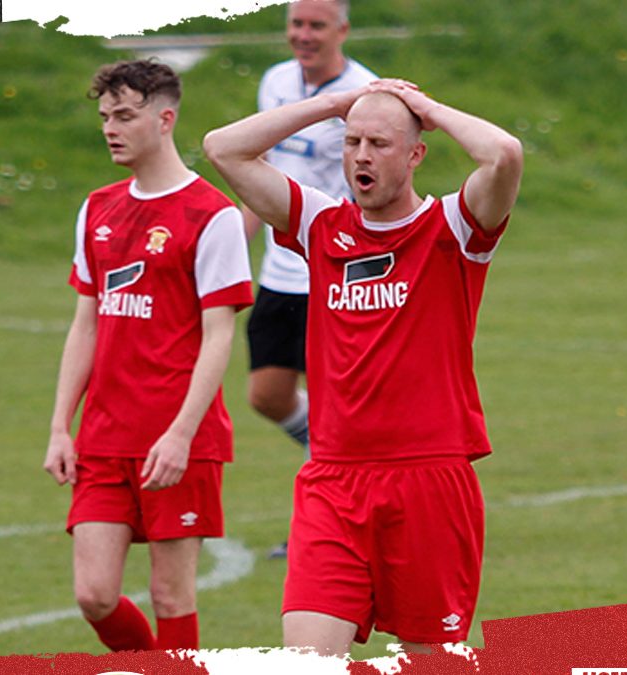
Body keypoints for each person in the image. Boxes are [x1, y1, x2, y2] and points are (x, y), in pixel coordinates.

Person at [203, 79, 523, 654]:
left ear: (414, 153)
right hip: (333, 481)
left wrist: (426, 108)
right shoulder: (320, 226)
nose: (361, 157)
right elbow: (224, 147)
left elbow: (504, 153)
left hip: (429, 481)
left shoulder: (452, 228)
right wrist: (333, 103)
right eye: (352, 143)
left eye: (379, 143)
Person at [43, 59, 253, 653]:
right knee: (94, 595)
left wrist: (182, 434)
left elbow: (219, 336)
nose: (111, 127)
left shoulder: (211, 216)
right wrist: (61, 426)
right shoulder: (97, 209)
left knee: (171, 596)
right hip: (105, 436)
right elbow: (85, 324)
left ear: (165, 119)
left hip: (179, 437)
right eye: (106, 116)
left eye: (126, 116)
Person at [243, 0, 376, 561]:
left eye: (316, 24)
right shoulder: (275, 82)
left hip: (334, 273)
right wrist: (231, 245)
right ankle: (325, 470)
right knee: (267, 395)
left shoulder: (366, 94)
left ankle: (333, 523)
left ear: (342, 30)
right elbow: (262, 171)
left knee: (338, 410)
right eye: (296, 23)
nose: (303, 34)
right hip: (279, 273)